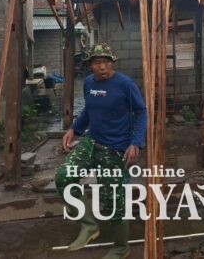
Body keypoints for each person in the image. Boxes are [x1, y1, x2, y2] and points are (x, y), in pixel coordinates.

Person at [55, 43, 147, 259]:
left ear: (113, 63)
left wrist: (136, 143)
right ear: (90, 65)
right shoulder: (89, 83)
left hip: (116, 148)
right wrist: (74, 129)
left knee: (114, 202)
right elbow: (89, 110)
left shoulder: (125, 85)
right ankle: (89, 225)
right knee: (64, 177)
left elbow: (142, 112)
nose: (103, 66)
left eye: (106, 62)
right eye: (97, 62)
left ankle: (121, 248)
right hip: (91, 141)